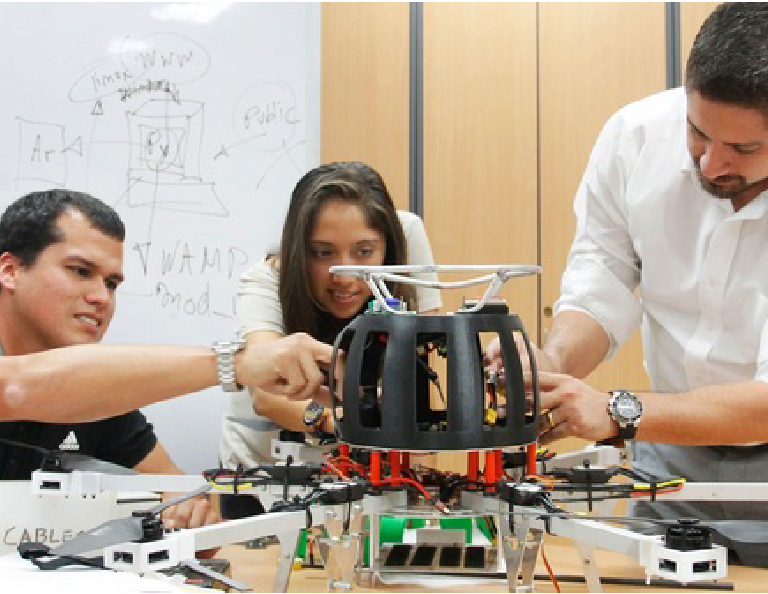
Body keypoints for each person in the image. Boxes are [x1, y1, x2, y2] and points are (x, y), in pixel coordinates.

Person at [488, 2, 768, 567]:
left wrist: (618, 411)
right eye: (698, 131)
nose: (711, 165)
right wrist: (551, 363)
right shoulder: (635, 137)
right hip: (668, 461)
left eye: (743, 149)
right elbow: (601, 285)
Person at [0, 189, 332, 536]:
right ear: (10, 271)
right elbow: (18, 388)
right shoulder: (43, 384)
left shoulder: (98, 400)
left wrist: (189, 516)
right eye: (80, 271)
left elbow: (178, 492)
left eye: (111, 284)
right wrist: (237, 364)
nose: (101, 297)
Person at [218, 161, 442, 517]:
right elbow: (266, 394)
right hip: (263, 481)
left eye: (364, 252)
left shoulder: (406, 235)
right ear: (299, 249)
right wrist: (335, 420)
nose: (345, 276)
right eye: (323, 253)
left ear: (388, 247)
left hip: (368, 477)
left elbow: (424, 353)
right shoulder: (264, 283)